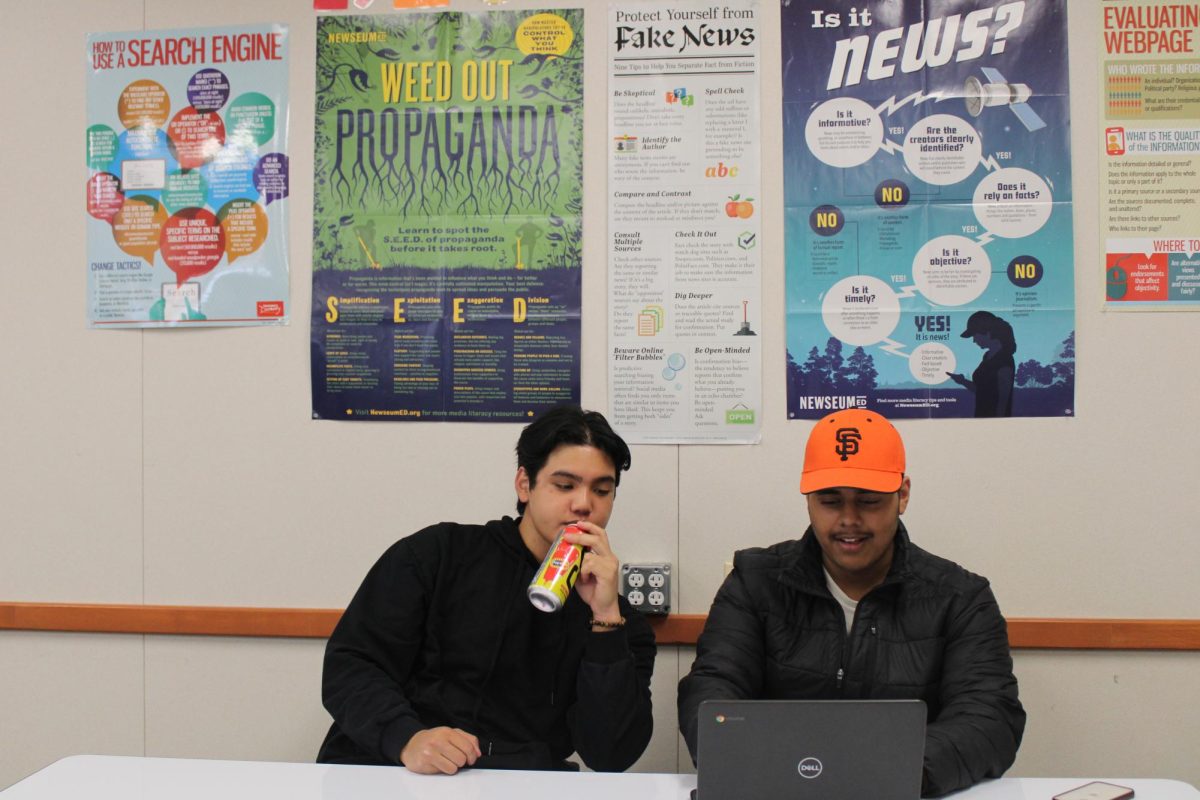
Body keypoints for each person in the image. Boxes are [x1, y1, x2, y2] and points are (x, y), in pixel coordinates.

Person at [678, 408, 1025, 797]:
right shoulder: (754, 582)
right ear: (808, 499)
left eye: (869, 501)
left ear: (903, 495)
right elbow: (712, 693)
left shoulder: (961, 598)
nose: (848, 519)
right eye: (830, 500)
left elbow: (989, 718)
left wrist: (874, 772)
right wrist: (779, 767)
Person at [318, 405, 655, 773]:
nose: (583, 504)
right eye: (564, 485)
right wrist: (406, 737)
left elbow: (612, 755)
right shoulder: (439, 555)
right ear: (524, 484)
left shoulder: (620, 622)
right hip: (394, 767)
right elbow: (351, 665)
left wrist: (605, 619)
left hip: (522, 781)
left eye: (602, 490)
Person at [947, 310, 1017, 417]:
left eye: (975, 335)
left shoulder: (1004, 360)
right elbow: (981, 391)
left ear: (987, 333)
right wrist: (962, 381)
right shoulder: (987, 357)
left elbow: (1003, 401)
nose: (974, 341)